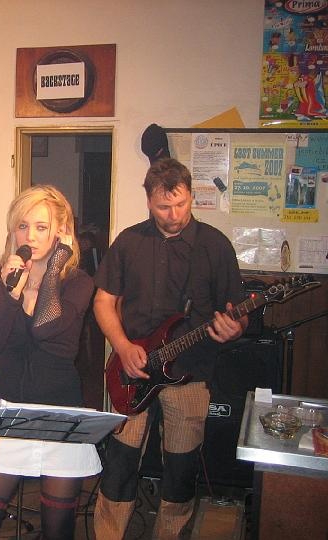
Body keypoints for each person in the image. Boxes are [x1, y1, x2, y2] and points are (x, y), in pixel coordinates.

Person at [92, 157, 248, 539]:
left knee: (181, 469)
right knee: (119, 463)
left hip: (191, 373)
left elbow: (237, 313)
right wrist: (122, 346)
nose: (174, 214)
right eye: (164, 206)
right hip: (132, 369)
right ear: (149, 201)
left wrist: (235, 328)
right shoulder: (129, 241)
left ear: (191, 195)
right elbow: (102, 301)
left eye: (181, 203)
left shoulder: (215, 245)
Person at [0, 185, 100, 540]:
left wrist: (53, 267)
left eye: (41, 227)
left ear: (60, 232)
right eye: (23, 226)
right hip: (11, 414)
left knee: (57, 532)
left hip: (60, 415)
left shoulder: (78, 282)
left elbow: (46, 328)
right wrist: (10, 293)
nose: (30, 236)